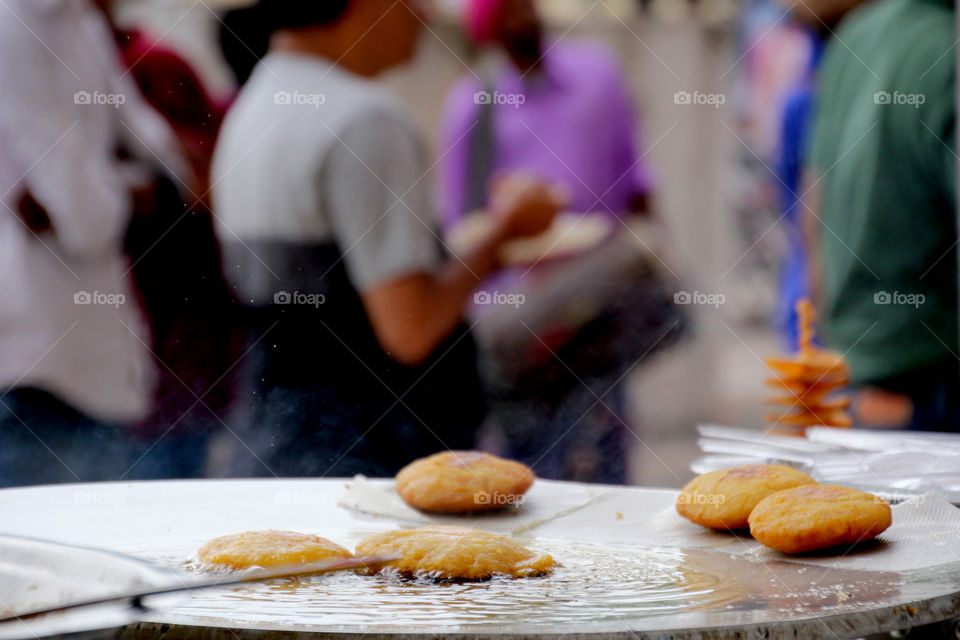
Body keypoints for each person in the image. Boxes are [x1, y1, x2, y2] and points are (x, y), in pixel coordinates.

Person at [212, 0, 565, 478]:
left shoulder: (255, 105)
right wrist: (504, 234)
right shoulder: (365, 120)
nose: (424, 16)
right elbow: (410, 328)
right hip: (366, 463)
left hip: (275, 446)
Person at [437, 0, 660, 483]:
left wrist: (653, 254)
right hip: (523, 310)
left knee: (602, 445)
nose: (523, 18)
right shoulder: (473, 105)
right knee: (529, 460)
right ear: (486, 33)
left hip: (596, 296)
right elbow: (461, 224)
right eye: (506, 13)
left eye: (524, 7)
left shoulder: (596, 76)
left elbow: (634, 178)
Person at [0, 0, 192, 486]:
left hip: (94, 361)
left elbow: (173, 170)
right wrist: (123, 186)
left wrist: (107, 185)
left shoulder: (80, 23)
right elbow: (87, 221)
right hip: (30, 368)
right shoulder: (14, 24)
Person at [804, 0, 958, 430]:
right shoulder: (946, 47)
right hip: (937, 390)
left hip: (862, 378)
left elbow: (814, 207)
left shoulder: (855, 37)